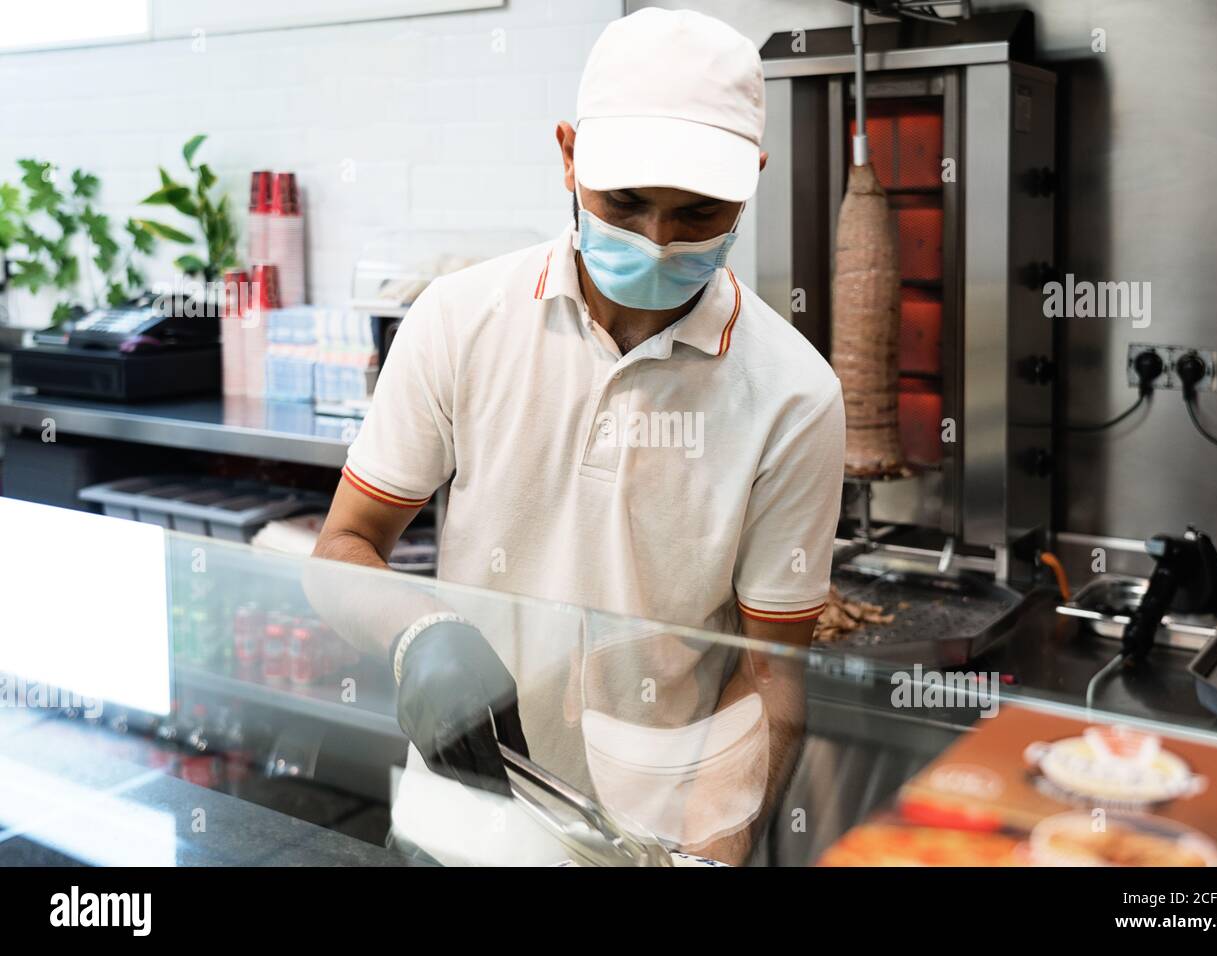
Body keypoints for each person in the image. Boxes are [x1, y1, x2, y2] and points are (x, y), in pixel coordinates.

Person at [312, 6, 845, 865]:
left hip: (644, 841)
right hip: (459, 822)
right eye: (626, 202)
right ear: (568, 154)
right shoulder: (461, 320)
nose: (658, 241)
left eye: (699, 211)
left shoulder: (794, 397)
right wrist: (418, 634)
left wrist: (711, 850)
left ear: (753, 176)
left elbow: (769, 676)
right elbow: (344, 544)